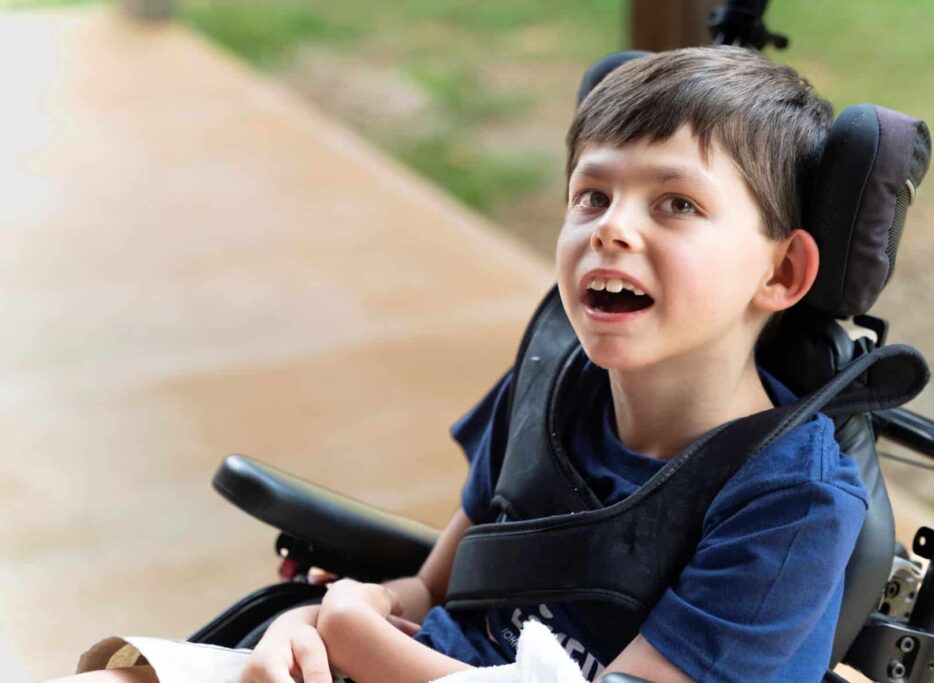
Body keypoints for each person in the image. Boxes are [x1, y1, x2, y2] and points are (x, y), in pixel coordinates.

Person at [54, 45, 867, 683]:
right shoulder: (551, 391)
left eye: (677, 203)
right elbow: (433, 589)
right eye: (592, 195)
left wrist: (357, 639)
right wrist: (327, 615)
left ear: (783, 272)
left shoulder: (787, 502)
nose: (611, 230)